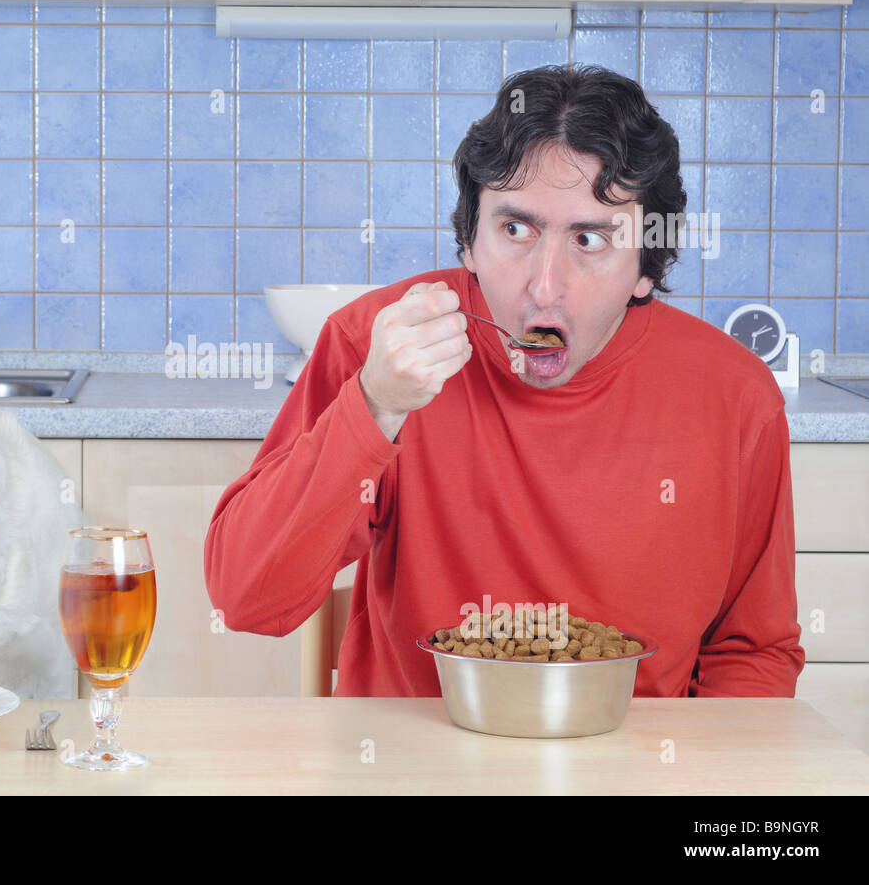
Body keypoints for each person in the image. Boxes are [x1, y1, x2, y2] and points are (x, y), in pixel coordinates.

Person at [203, 64, 804, 698]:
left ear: (644, 268)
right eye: (515, 229)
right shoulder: (377, 348)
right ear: (469, 239)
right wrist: (374, 406)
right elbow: (247, 598)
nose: (544, 287)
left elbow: (753, 651)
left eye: (590, 239)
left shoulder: (734, 397)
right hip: (411, 768)